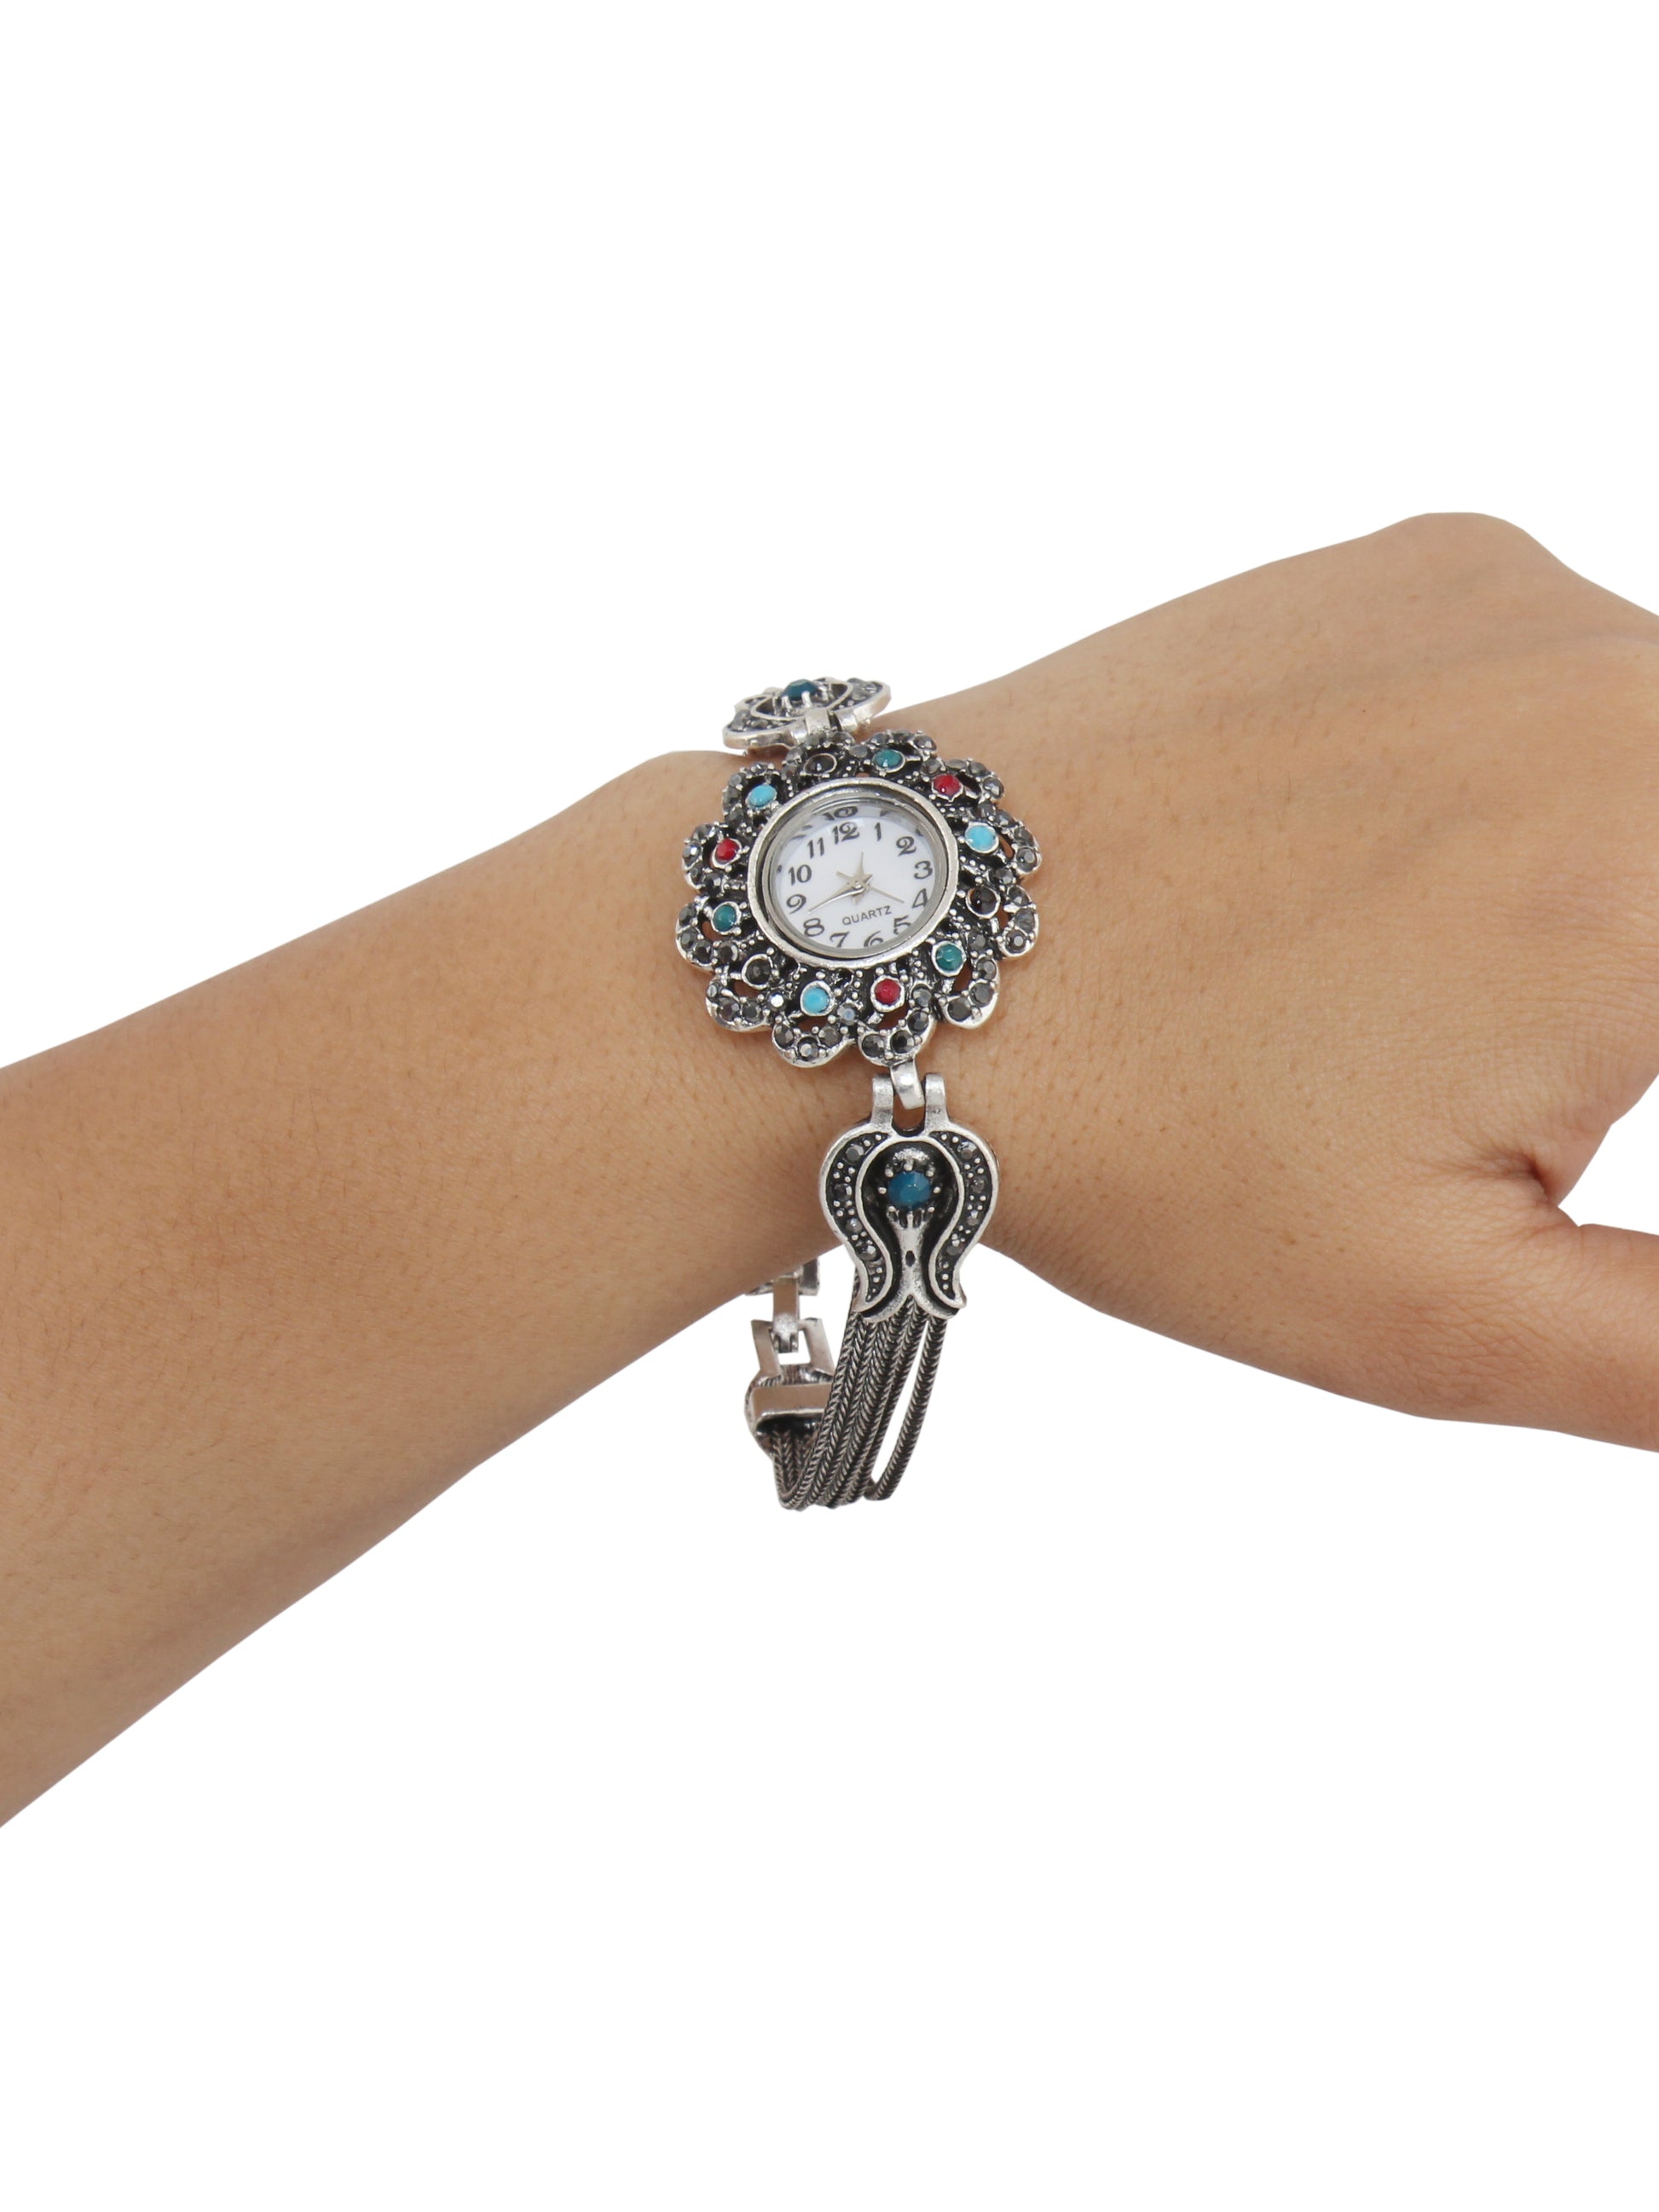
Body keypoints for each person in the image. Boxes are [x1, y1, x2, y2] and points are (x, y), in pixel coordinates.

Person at [4, 511, 1657, 1822]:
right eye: (836, 864)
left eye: (872, 857)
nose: (859, 880)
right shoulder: (802, 899)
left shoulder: (913, 870)